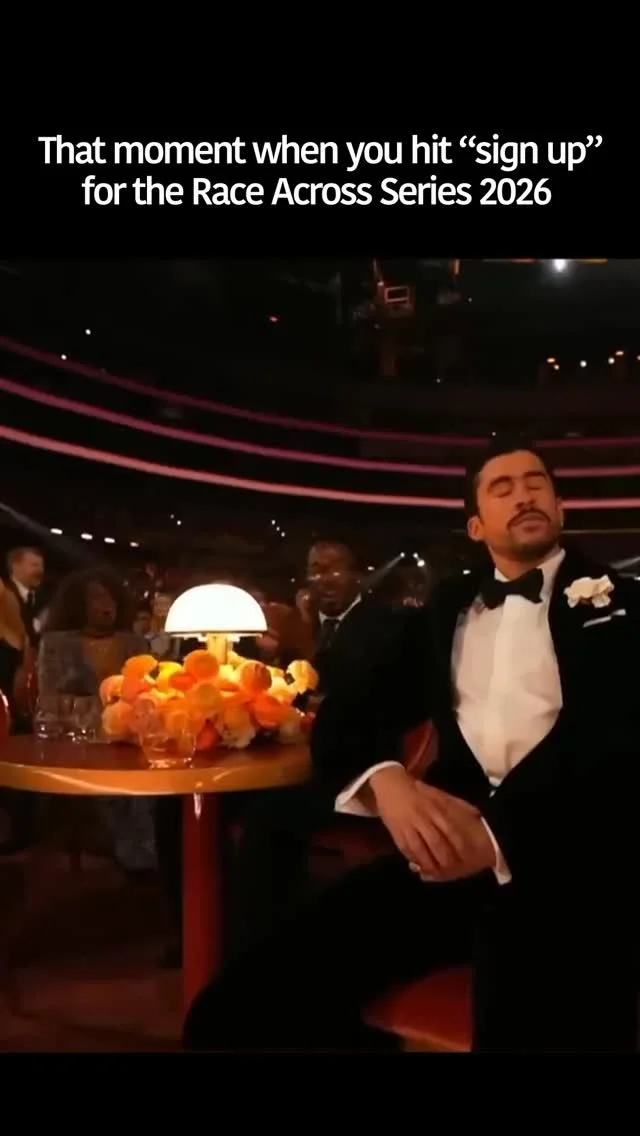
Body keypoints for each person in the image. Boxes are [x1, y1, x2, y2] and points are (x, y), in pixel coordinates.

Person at [183, 437, 640, 1053]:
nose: (524, 495)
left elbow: (616, 738)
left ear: (560, 507)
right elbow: (354, 709)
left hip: (573, 862)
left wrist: (497, 835)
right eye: (502, 487)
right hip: (444, 855)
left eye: (536, 483)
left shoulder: (623, 606)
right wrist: (386, 780)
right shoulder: (447, 608)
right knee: (236, 1010)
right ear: (476, 526)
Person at [38, 568, 156, 876]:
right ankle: (136, 855)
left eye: (111, 598)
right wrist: (106, 708)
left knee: (149, 784)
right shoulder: (56, 644)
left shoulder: (135, 644)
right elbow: (49, 701)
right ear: (78, 603)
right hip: (80, 741)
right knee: (112, 790)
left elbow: (151, 695)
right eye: (96, 598)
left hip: (131, 739)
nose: (106, 605)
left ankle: (146, 854)